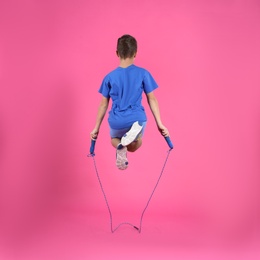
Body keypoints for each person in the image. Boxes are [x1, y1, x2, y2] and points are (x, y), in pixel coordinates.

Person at [90, 34, 169, 170]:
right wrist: (160, 123)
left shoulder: (109, 77)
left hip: (117, 120)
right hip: (136, 118)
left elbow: (103, 104)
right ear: (135, 53)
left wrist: (96, 127)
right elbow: (152, 99)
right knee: (135, 145)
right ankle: (133, 137)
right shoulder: (143, 73)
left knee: (114, 140)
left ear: (117, 53)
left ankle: (121, 145)